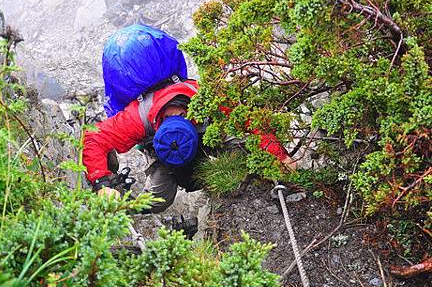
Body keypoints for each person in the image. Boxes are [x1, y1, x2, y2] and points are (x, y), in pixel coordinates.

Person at [83, 74, 296, 213]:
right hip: (163, 155)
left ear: (188, 114)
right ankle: (125, 208)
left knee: (240, 146)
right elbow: (94, 137)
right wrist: (101, 182)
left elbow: (251, 122)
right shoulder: (137, 119)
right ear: (160, 122)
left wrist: (279, 155)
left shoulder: (207, 99)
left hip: (208, 136)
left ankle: (244, 178)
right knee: (157, 202)